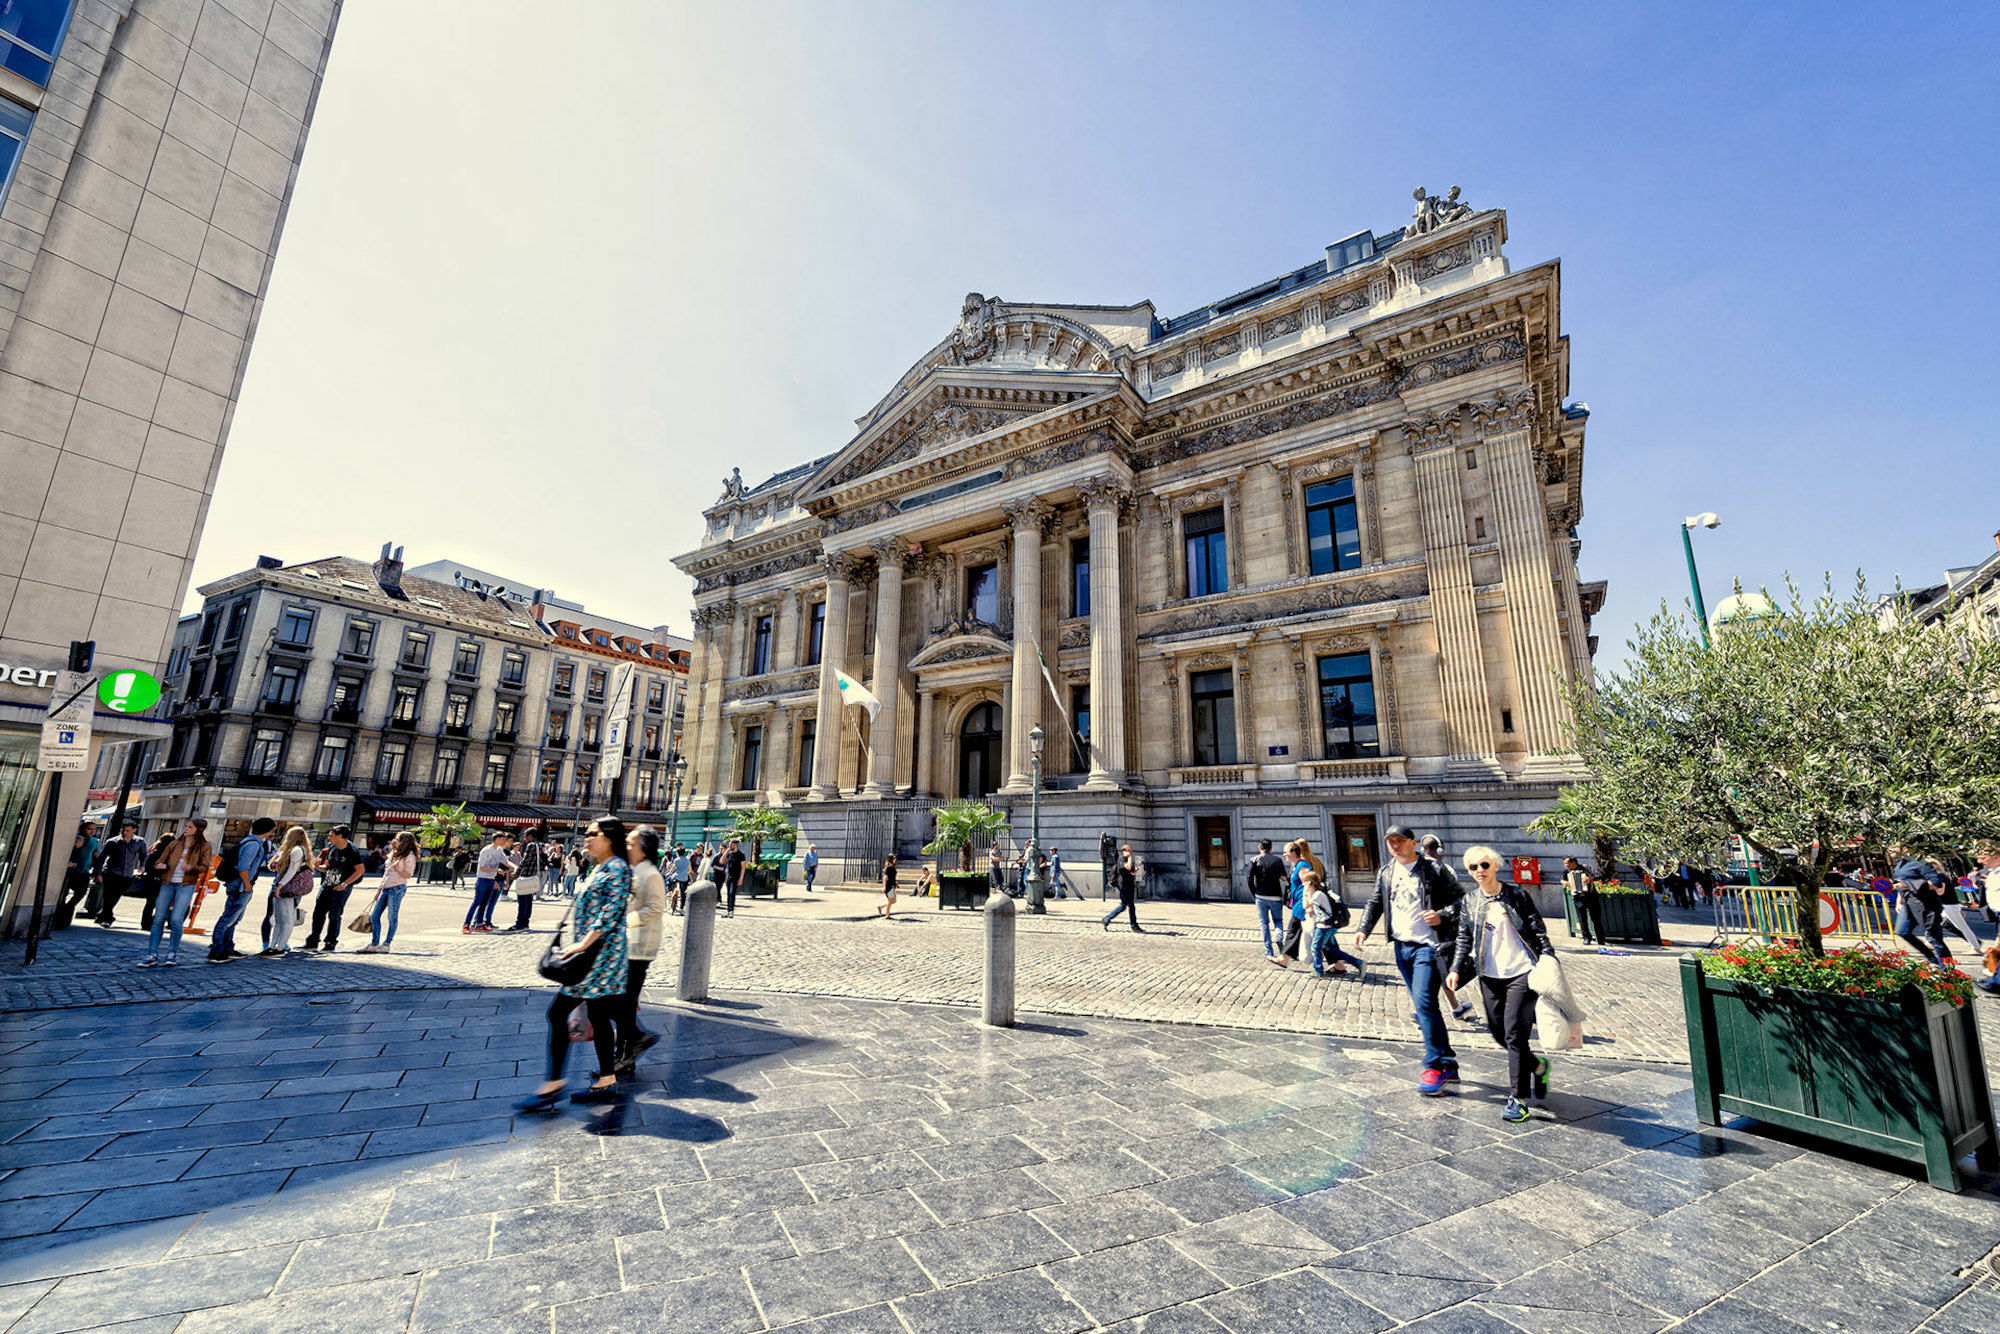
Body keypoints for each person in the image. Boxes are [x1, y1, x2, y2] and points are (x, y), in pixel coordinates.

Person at [516, 815, 631, 1113]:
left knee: (558, 1013)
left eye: (594, 833)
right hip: (593, 955)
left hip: (599, 957)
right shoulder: (599, 866)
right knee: (599, 1015)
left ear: (610, 837)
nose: (587, 837)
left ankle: (553, 1084)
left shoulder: (617, 868)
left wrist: (583, 942)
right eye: (587, 832)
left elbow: (611, 910)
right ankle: (606, 1079)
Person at [1448, 845, 1556, 1123]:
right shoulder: (1470, 901)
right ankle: (1537, 1066)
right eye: (1473, 867)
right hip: (1490, 975)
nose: (1479, 871)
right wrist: (1456, 968)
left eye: (1484, 865)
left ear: (1495, 865)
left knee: (1515, 1034)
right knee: (1499, 1034)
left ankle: (1518, 1100)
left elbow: (1536, 928)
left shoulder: (1516, 895)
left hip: (1522, 973)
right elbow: (1463, 938)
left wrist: (1549, 959)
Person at [1355, 824, 1465, 1095]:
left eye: (1400, 841)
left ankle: (1434, 1066)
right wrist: (1363, 929)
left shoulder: (1434, 870)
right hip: (1402, 946)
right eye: (1391, 841)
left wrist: (1442, 915)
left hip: (1429, 947)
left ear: (1413, 843)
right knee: (1424, 1005)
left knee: (1425, 1004)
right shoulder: (1387, 871)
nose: (1395, 845)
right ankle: (1448, 1061)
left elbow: (1462, 901)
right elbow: (1375, 902)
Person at [615, 827, 667, 1076]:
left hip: (640, 947)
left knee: (624, 1002)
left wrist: (628, 921)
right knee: (624, 1002)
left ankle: (629, 1049)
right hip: (629, 944)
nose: (626, 846)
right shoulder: (636, 870)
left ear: (643, 848)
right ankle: (626, 1050)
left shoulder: (651, 874)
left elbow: (656, 907)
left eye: (630, 843)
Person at [139, 818, 210, 967]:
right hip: (167, 883)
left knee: (176, 920)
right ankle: (152, 954)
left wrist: (191, 867)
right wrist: (160, 865)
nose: (185, 829)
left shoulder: (204, 846)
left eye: (190, 827)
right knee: (158, 918)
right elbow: (159, 860)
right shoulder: (174, 844)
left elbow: (205, 867)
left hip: (186, 885)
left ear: (199, 829)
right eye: (186, 826)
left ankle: (172, 954)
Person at [207, 817, 276, 964]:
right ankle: (217, 950)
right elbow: (244, 867)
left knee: (234, 918)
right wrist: (247, 885)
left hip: (237, 883)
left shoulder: (248, 841)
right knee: (229, 917)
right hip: (240, 885)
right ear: (268, 830)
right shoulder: (254, 845)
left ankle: (227, 947)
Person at [303, 824, 366, 952]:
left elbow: (360, 870)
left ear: (340, 836)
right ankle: (313, 941)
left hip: (340, 889)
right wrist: (318, 867)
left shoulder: (352, 850)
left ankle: (330, 943)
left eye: (331, 835)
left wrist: (344, 884)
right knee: (318, 914)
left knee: (334, 915)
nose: (329, 837)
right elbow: (328, 867)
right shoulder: (332, 848)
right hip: (327, 885)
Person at [1890, 845, 1954, 966]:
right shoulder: (1898, 865)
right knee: (1902, 932)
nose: (1889, 850)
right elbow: (1900, 884)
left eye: (1893, 846)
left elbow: (1935, 883)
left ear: (1904, 848)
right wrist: (1899, 901)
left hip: (1926, 906)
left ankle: (1948, 969)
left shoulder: (1920, 862)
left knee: (1935, 939)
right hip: (1908, 906)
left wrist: (1909, 885)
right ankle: (1931, 958)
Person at [259, 826, 317, 956]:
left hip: (288, 888)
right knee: (279, 919)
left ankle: (279, 947)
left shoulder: (297, 850)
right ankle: (273, 946)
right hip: (288, 887)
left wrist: (279, 886)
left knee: (286, 919)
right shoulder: (297, 850)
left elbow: (292, 871)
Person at [358, 831, 419, 953]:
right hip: (386, 887)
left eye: (397, 838)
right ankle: (374, 943)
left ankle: (386, 944)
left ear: (404, 841)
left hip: (397, 888)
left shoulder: (409, 856)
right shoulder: (394, 853)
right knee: (375, 916)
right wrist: (379, 889)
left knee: (392, 916)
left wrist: (398, 869)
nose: (394, 840)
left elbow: (408, 874)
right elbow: (386, 873)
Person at [94, 820, 146, 927]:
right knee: (108, 896)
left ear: (134, 830)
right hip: (111, 873)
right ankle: (108, 919)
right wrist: (98, 873)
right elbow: (101, 858)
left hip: (127, 875)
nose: (125, 832)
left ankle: (103, 914)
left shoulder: (139, 842)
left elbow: (144, 855)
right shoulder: (112, 842)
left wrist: (142, 866)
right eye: (124, 830)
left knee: (116, 896)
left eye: (128, 830)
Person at [464, 832, 515, 933]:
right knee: (477, 902)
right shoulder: (486, 851)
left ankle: (479, 924)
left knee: (485, 903)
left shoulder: (499, 850)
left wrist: (515, 867)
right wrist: (496, 871)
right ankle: (466, 925)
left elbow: (505, 862)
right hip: (482, 879)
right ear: (497, 839)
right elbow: (482, 867)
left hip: (491, 880)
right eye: (503, 839)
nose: (505, 841)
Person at [1247, 840, 1287, 958]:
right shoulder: (1278, 860)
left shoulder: (1254, 860)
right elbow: (1284, 878)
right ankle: (1279, 938)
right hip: (1276, 895)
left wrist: (1254, 894)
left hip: (1260, 895)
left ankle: (1269, 950)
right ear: (1271, 848)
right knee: (1278, 921)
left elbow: (1249, 879)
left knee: (1264, 923)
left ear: (1260, 847)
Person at [505, 835, 546, 931]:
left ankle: (520, 923)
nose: (524, 838)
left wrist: (517, 873)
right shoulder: (539, 846)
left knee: (523, 900)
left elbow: (524, 861)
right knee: (528, 900)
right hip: (533, 875)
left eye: (525, 836)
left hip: (526, 875)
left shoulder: (531, 845)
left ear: (530, 836)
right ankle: (526, 922)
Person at [138, 828, 174, 933]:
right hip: (161, 882)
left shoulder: (155, 852)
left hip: (152, 881)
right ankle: (151, 923)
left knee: (150, 904)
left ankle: (146, 924)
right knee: (160, 904)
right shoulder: (167, 855)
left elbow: (148, 867)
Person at [1563, 855, 1602, 946]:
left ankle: (1600, 939)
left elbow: (1597, 875)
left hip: (1591, 897)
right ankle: (1586, 938)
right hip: (1578, 897)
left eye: (1567, 863)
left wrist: (1589, 879)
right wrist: (1564, 882)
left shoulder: (1586, 868)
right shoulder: (1566, 871)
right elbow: (1562, 880)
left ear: (1573, 862)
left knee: (1596, 919)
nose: (1565, 865)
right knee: (1582, 919)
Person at [1101, 844, 1140, 931]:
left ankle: (1107, 918)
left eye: (1130, 850)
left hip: (1128, 886)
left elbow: (1132, 872)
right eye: (1128, 850)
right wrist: (1130, 857)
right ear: (1124, 851)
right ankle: (1134, 925)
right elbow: (1128, 867)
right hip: (1124, 887)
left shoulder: (1127, 860)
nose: (1130, 852)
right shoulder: (1121, 860)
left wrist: (1138, 869)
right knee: (1131, 906)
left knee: (1123, 906)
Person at [724, 839, 745, 915]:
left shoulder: (741, 855)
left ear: (735, 845)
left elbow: (743, 867)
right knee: (728, 894)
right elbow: (721, 861)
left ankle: (731, 910)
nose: (729, 846)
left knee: (732, 893)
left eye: (731, 844)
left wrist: (741, 878)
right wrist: (726, 851)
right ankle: (728, 910)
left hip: (736, 877)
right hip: (728, 877)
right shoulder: (729, 854)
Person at [668, 843, 691, 915]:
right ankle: (681, 908)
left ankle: (671, 893)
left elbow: (673, 869)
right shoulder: (687, 860)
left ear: (678, 853)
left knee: (669, 882)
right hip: (684, 878)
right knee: (683, 893)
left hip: (676, 877)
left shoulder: (676, 860)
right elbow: (690, 870)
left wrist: (669, 873)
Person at [877, 854, 899, 919]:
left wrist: (896, 884)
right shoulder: (888, 868)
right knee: (890, 901)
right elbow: (885, 878)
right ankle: (887, 915)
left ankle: (881, 907)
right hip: (889, 886)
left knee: (894, 900)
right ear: (891, 860)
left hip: (893, 885)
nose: (895, 860)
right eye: (894, 858)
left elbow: (893, 877)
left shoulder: (893, 867)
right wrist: (884, 887)